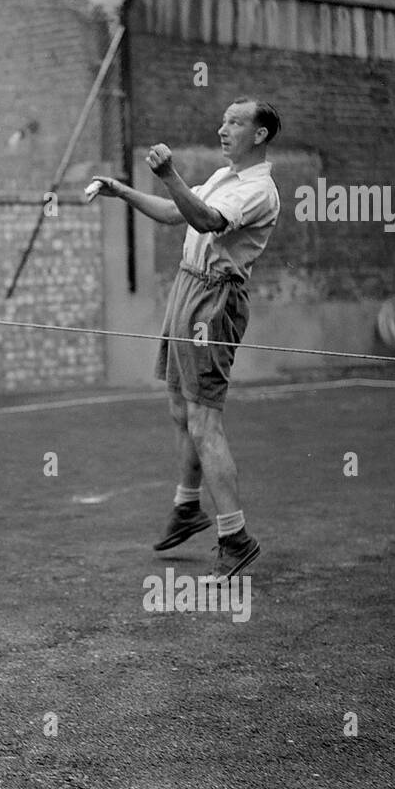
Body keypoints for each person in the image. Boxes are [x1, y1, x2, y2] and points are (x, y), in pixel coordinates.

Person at [88, 98, 281, 579]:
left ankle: (235, 537)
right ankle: (187, 507)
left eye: (235, 122)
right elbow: (178, 213)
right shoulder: (224, 177)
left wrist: (170, 173)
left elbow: (209, 221)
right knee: (181, 407)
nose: (223, 128)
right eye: (222, 119)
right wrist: (121, 190)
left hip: (213, 301)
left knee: (204, 419)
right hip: (187, 286)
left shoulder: (258, 189)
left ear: (259, 134)